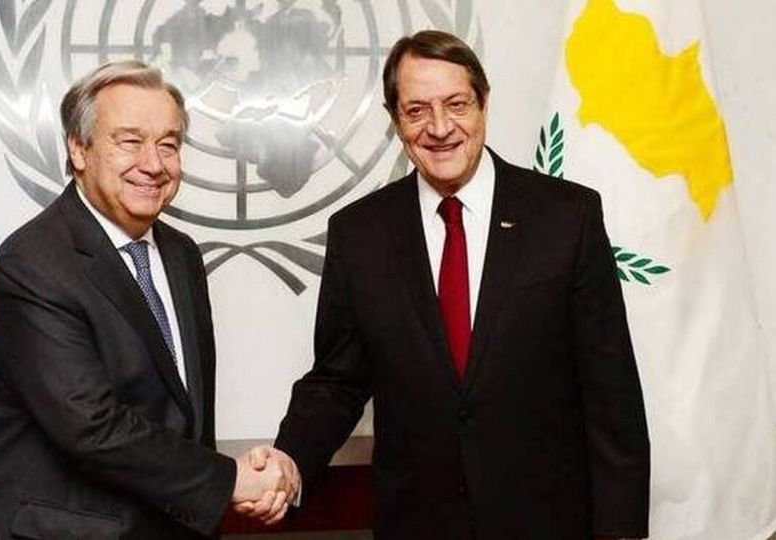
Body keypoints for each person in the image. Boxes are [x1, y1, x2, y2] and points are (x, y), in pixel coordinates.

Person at [259, 30, 650, 539]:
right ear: (395, 119)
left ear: (484, 103)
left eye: (456, 104)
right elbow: (338, 380)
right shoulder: (359, 234)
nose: (440, 128)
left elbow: (610, 391)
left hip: (547, 521)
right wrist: (289, 462)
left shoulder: (566, 217)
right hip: (418, 523)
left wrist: (620, 530)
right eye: (417, 110)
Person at [0, 61, 294, 539]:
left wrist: (231, 483)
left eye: (168, 144)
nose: (154, 164)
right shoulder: (33, 263)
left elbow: (182, 418)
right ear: (78, 148)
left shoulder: (181, 254)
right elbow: (91, 427)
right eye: (129, 141)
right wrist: (230, 481)